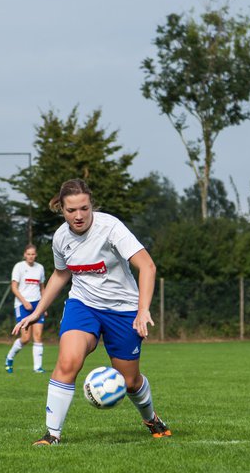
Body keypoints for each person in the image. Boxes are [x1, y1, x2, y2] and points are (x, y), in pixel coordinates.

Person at [14, 178, 171, 446]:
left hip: (123, 311)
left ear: (92, 205)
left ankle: (151, 418)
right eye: (71, 210)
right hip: (83, 305)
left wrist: (142, 310)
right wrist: (37, 311)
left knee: (130, 381)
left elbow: (148, 266)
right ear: (61, 209)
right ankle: (52, 435)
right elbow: (61, 274)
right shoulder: (61, 238)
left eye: (84, 209)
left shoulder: (111, 228)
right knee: (68, 362)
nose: (78, 216)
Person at [5, 244, 47, 374]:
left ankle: (37, 368)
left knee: (38, 335)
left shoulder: (40, 268)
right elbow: (14, 287)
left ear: (36, 255)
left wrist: (44, 305)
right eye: (28, 254)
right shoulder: (19, 267)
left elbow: (42, 288)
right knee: (25, 338)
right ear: (24, 254)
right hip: (22, 305)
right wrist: (25, 302)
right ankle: (9, 358)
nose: (31, 256)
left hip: (37, 305)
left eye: (33, 254)